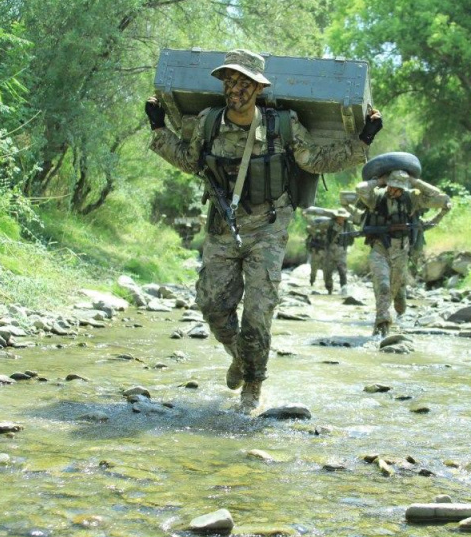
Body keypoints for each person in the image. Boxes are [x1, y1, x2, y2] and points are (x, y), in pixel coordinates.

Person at [146, 48, 382, 413]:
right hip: (223, 226)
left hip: (269, 227)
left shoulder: (281, 125)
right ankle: (240, 357)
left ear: (258, 87)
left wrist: (363, 139)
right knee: (211, 306)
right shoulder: (209, 122)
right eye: (229, 80)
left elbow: (316, 161)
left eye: (243, 82)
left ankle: (252, 385)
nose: (234, 89)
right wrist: (158, 128)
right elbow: (189, 161)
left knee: (258, 311)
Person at [355, 169, 451, 336]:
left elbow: (435, 194)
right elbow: (360, 188)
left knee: (394, 289)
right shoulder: (376, 197)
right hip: (379, 248)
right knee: (383, 285)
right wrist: (379, 181)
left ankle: (391, 319)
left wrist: (414, 182)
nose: (393, 191)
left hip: (401, 250)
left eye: (398, 188)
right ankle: (382, 323)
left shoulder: (412, 199)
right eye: (391, 187)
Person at [321, 209, 352, 294]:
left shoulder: (348, 226)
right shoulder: (330, 224)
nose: (341, 218)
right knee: (328, 270)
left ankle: (344, 288)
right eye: (339, 217)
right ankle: (329, 288)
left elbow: (352, 237)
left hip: (342, 250)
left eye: (342, 217)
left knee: (342, 270)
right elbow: (327, 234)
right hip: (330, 250)